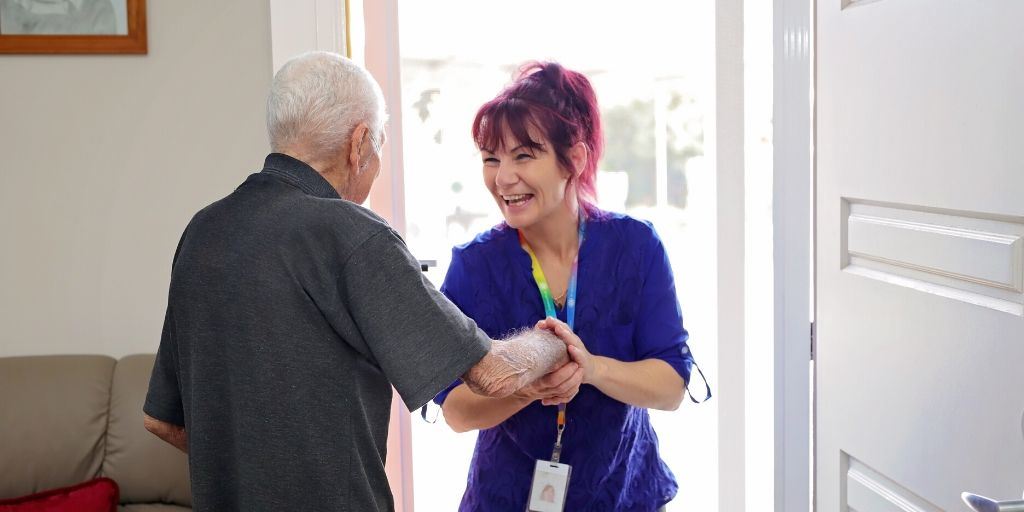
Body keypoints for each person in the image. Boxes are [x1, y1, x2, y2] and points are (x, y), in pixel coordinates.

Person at [141, 51, 575, 512]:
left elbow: (161, 420)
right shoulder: (350, 234)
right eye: (380, 144)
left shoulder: (204, 230)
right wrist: (555, 342)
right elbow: (494, 373)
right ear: (360, 143)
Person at [434, 62, 706, 511]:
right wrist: (526, 389)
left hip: (623, 494)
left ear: (574, 160)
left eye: (524, 156)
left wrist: (591, 369)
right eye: (491, 158)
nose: (503, 178)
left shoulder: (635, 247)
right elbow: (456, 410)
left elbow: (672, 385)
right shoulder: (474, 265)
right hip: (506, 498)